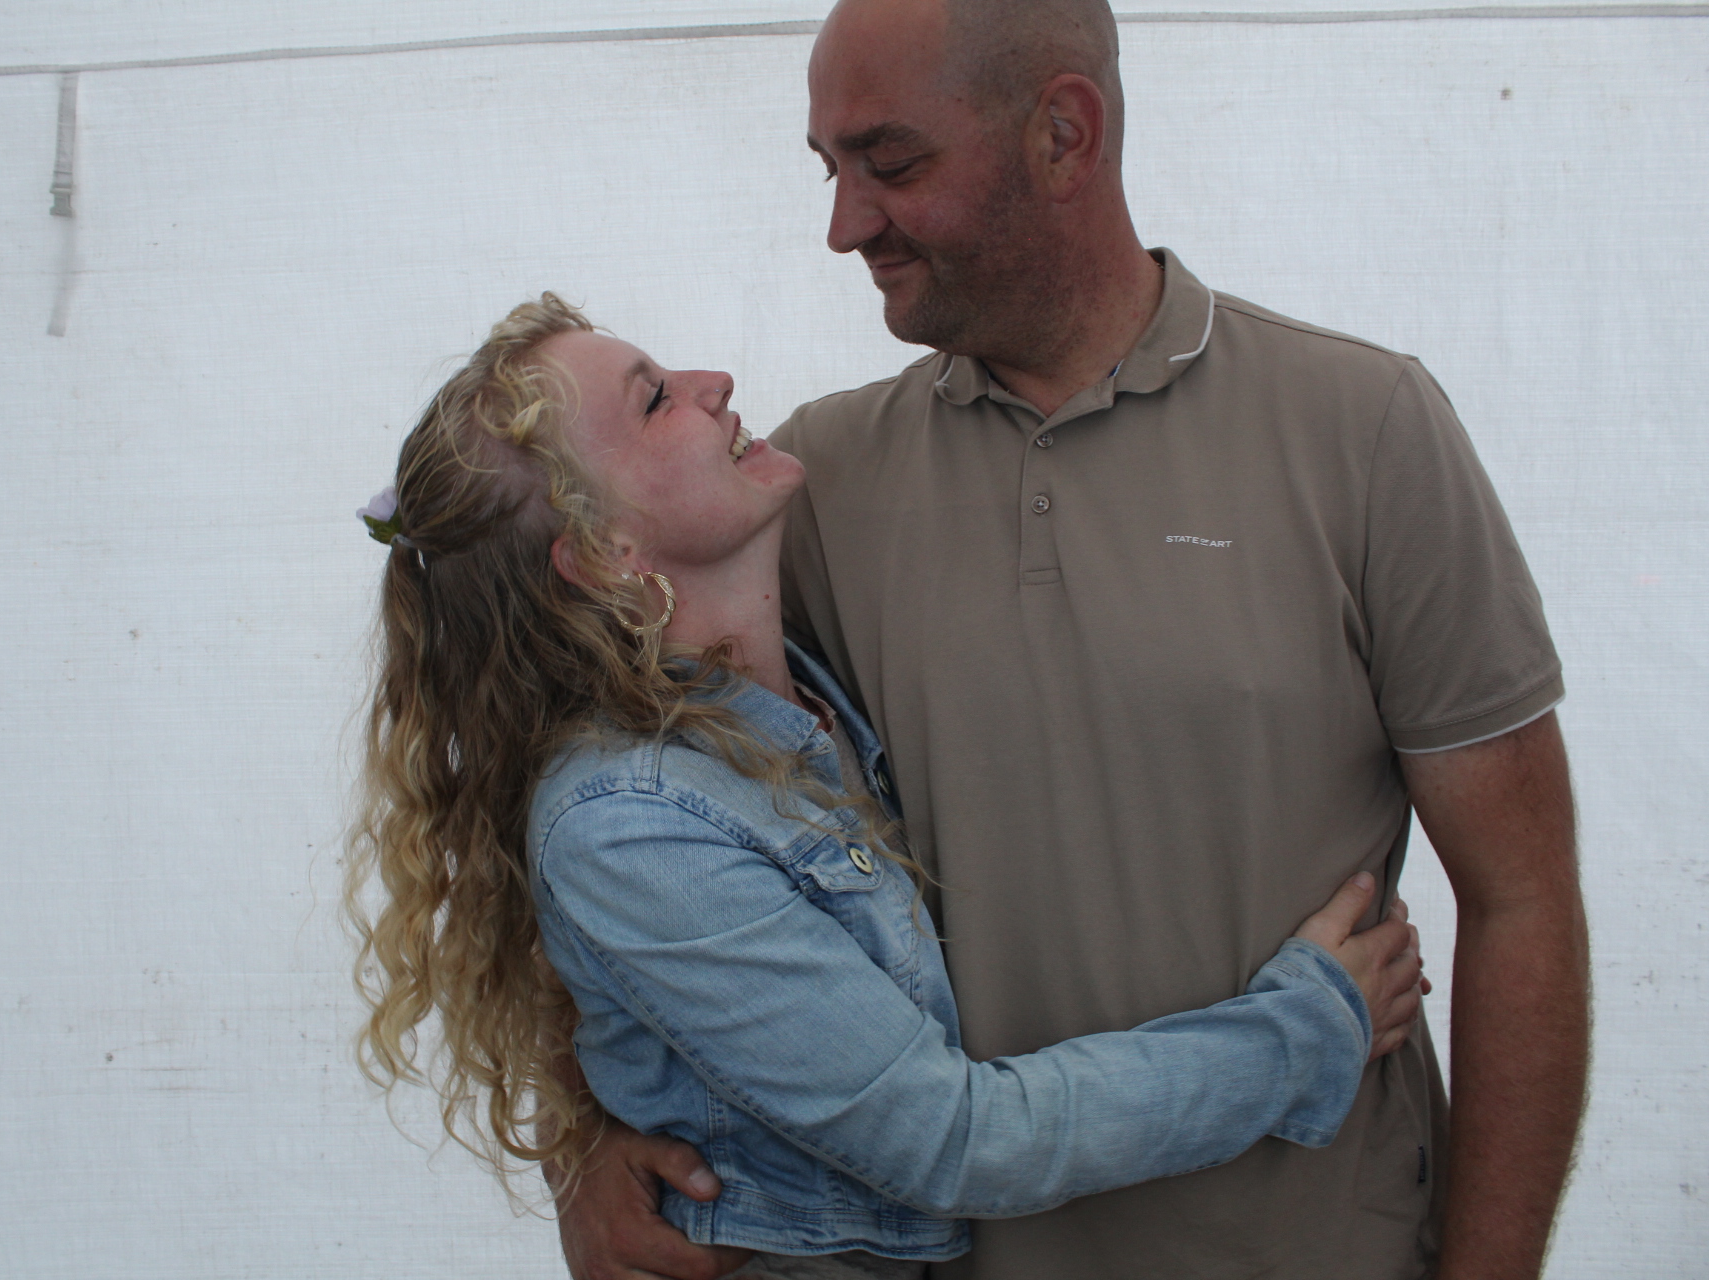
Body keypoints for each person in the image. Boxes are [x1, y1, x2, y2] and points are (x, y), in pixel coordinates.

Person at [558, 1, 1590, 1278]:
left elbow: (1521, 895)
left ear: (1064, 133)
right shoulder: (814, 483)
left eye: (891, 162)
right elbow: (589, 826)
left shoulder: (1364, 428)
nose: (845, 224)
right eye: (830, 171)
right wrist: (581, 1140)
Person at [347, 295, 1431, 1280]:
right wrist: (1303, 1032)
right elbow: (952, 1141)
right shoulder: (627, 824)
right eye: (655, 399)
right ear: (604, 551)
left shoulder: (804, 700)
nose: (714, 381)